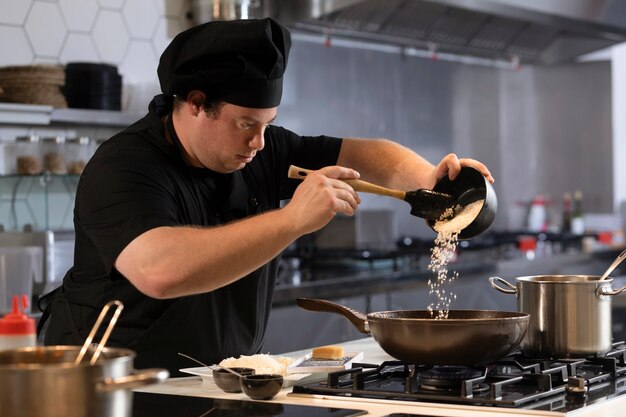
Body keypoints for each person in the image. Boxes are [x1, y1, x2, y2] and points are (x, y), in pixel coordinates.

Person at [40, 18, 494, 376]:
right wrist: (293, 219)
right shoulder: (123, 166)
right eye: (245, 124)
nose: (260, 142)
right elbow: (160, 270)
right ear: (196, 103)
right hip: (118, 388)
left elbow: (365, 153)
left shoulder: (263, 148)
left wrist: (428, 177)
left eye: (268, 123)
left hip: (220, 380)